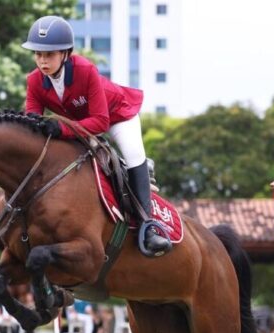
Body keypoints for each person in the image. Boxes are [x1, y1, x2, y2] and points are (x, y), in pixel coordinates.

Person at [22, 15, 172, 257]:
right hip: (80, 123)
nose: (42, 61)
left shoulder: (85, 70)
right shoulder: (34, 81)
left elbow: (101, 121)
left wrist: (61, 128)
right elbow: (32, 121)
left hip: (116, 116)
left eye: (49, 54)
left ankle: (148, 226)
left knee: (133, 155)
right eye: (38, 54)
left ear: (65, 54)